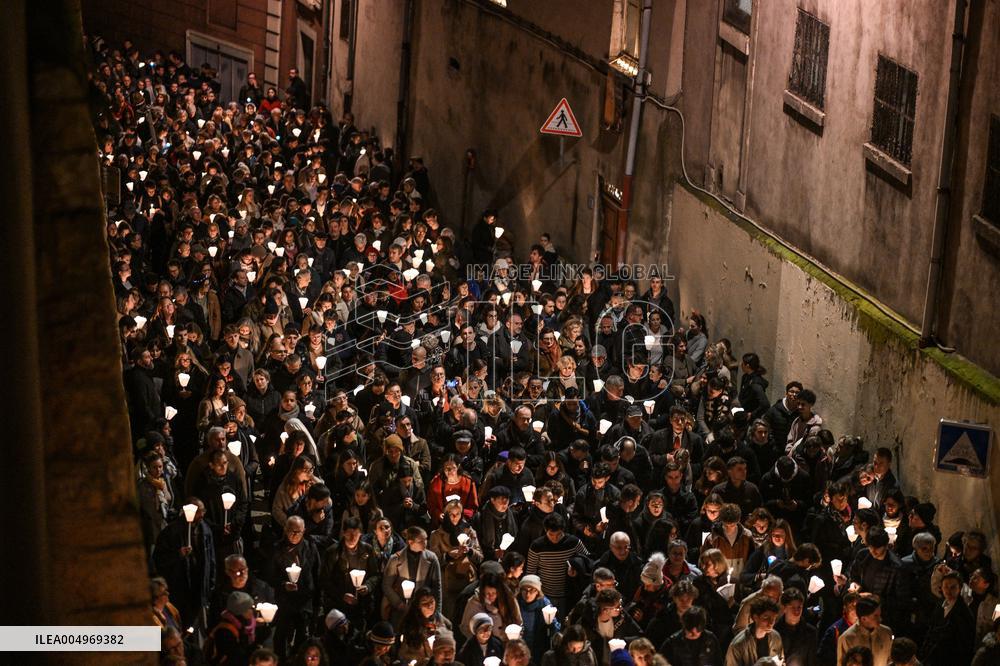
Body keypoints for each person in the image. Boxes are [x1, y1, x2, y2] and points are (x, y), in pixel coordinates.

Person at [724, 597, 783, 666]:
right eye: (766, 617)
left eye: (773, 618)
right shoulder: (738, 644)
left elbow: (781, 661)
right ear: (755, 617)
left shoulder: (776, 638)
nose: (771, 623)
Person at [837, 596, 892, 666]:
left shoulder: (886, 633)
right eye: (876, 616)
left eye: (880, 615)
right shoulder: (847, 638)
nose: (880, 619)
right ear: (863, 619)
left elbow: (890, 660)